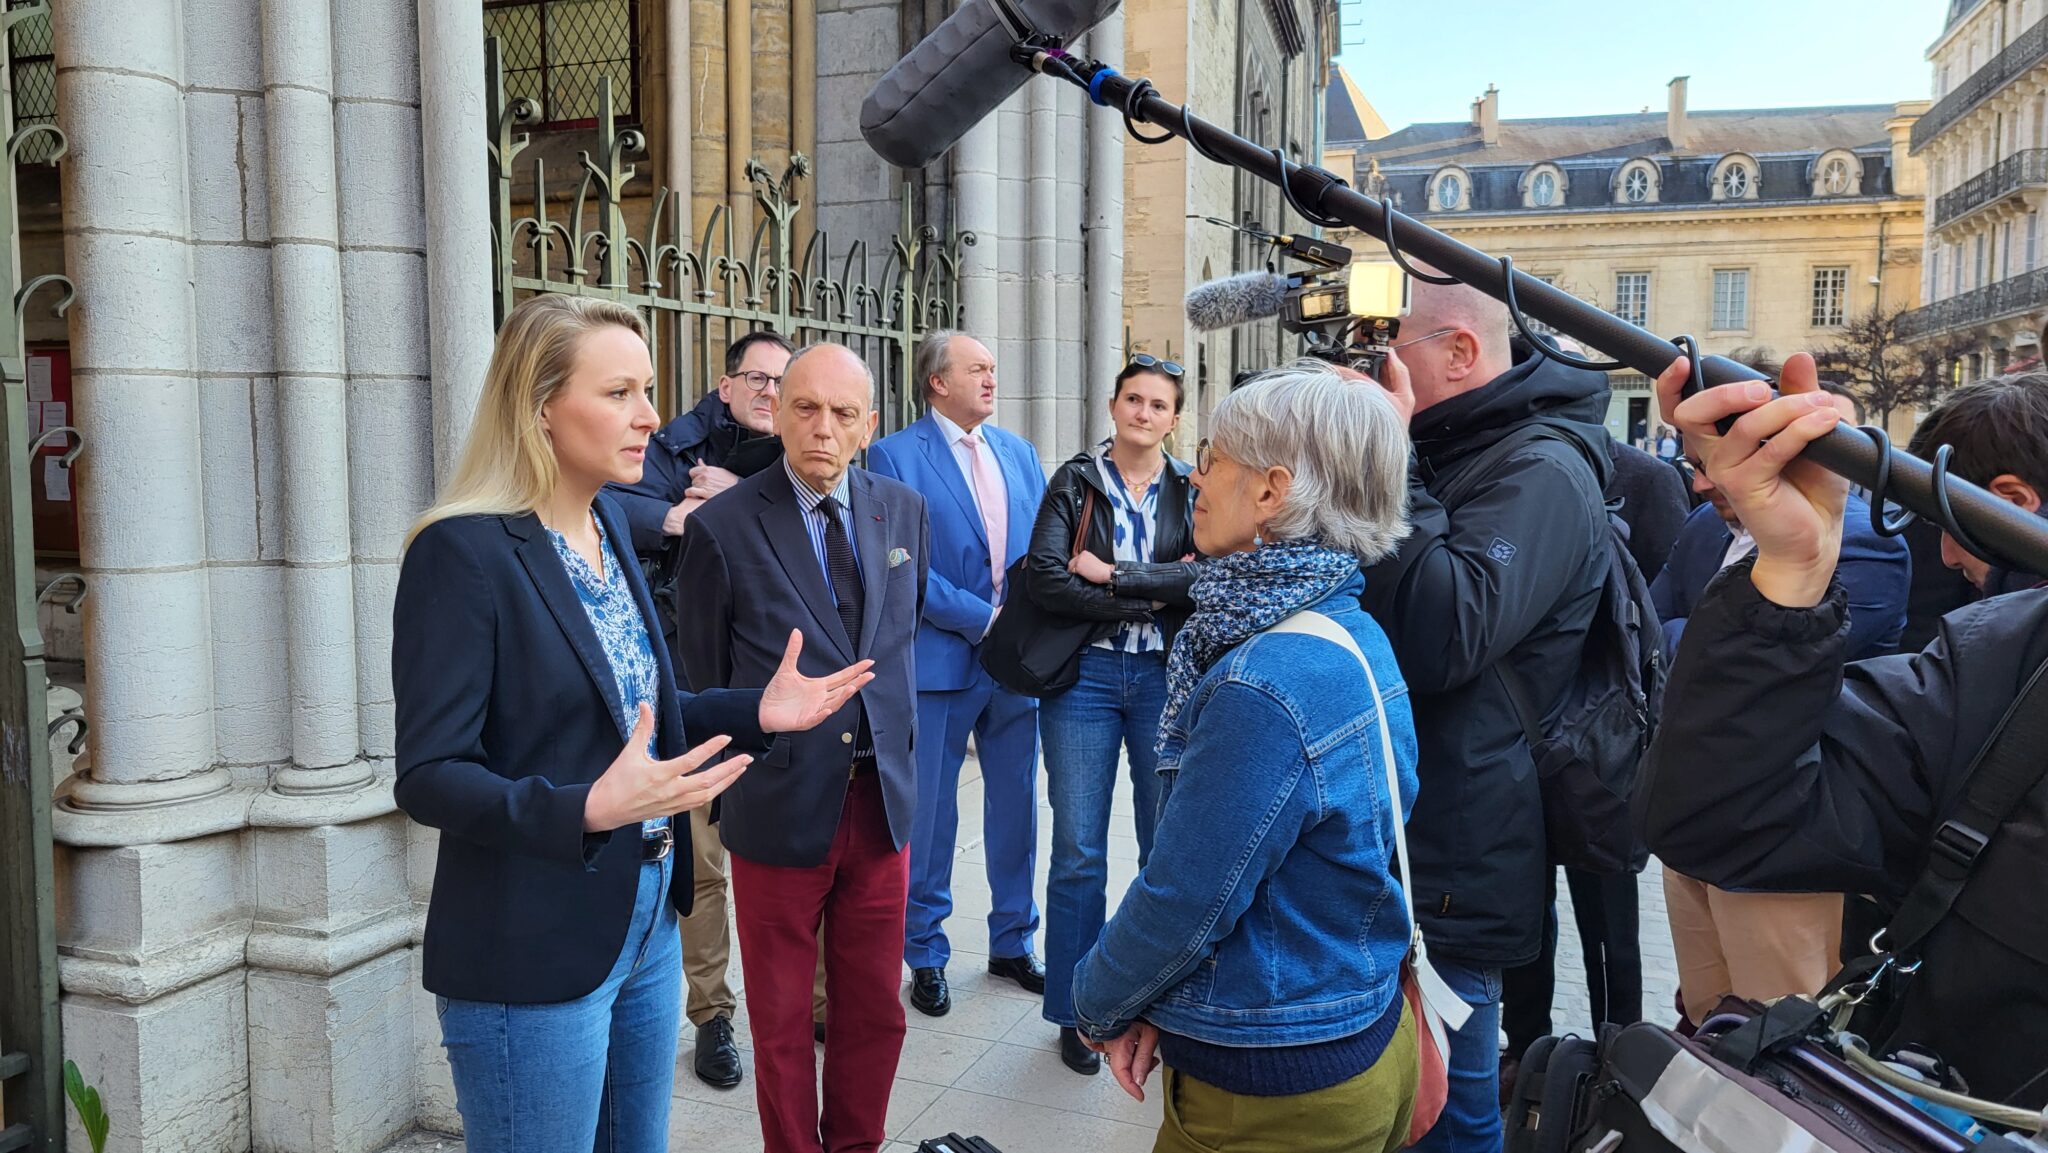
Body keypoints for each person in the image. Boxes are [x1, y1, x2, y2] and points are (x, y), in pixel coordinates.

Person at [390, 296, 872, 1152]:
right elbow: (429, 774)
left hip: (648, 918)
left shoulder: (610, 522)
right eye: (619, 393)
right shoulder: (461, 551)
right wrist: (583, 808)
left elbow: (646, 717)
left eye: (647, 390)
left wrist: (756, 710)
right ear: (540, 406)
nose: (650, 415)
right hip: (532, 943)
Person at [1639, 352, 2048, 1108]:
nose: (1943, 555)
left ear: (2014, 503)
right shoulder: (1994, 661)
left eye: (1945, 528)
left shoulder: (1986, 646)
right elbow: (1719, 808)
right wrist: (1788, 575)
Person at [1071, 360, 1422, 1153]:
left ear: (1271, 491)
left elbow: (1186, 897)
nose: (1195, 475)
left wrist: (1096, 1002)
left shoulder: (1264, 680)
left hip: (1276, 1084)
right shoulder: (1349, 627)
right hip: (1353, 1023)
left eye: (1213, 457)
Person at [1359, 276, 1614, 1151]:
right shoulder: (1475, 447)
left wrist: (1389, 456)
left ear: (1461, 351)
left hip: (1464, 838)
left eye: (1396, 346)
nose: (1383, 367)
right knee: (1413, 1094)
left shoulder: (1542, 469)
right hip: (1426, 820)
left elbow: (1445, 630)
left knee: (1453, 1109)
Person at [673, 342, 929, 1153]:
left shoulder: (903, 510)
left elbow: (901, 636)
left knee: (875, 1008)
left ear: (869, 425)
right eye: (806, 407)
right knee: (781, 1019)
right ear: (777, 411)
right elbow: (705, 674)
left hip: (880, 803)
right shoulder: (722, 526)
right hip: (778, 802)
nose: (823, 428)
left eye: (843, 414)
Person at [1649, 425, 1908, 1025]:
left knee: (1781, 1033)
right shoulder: (1706, 525)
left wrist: (1700, 638)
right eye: (1694, 464)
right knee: (1706, 1021)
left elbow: (1737, 667)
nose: (1700, 483)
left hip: (1784, 838)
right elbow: (1651, 626)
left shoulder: (1859, 541)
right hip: (1689, 817)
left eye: (1712, 463)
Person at [604, 327, 806, 1089]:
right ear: (726, 386)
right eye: (757, 378)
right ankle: (714, 1015)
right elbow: (608, 504)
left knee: (796, 854)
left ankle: (817, 1002)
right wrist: (681, 516)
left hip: (777, 687)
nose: (769, 393)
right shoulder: (673, 445)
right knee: (705, 866)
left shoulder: (804, 447)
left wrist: (736, 500)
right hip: (691, 681)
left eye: (781, 381)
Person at [1023, 355, 1201, 1076]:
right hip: (1085, 680)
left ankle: (1159, 1004)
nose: (1144, 413)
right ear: (1113, 405)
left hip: (1164, 679)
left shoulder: (1190, 486)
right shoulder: (1074, 481)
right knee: (1078, 852)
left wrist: (1116, 575)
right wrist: (1143, 599)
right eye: (1134, 399)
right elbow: (1045, 576)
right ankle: (1077, 1010)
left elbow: (1203, 575)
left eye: (1158, 404)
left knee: (1167, 849)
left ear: (1173, 418)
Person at [866, 330, 1050, 1015]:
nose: (990, 378)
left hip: (1017, 665)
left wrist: (1026, 623)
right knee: (933, 813)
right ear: (937, 381)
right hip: (940, 661)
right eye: (977, 368)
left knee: (1017, 807)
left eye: (993, 368)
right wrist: (983, 618)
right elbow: (900, 564)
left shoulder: (1019, 453)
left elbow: (1042, 553)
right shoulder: (893, 455)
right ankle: (925, 951)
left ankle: (1013, 940)